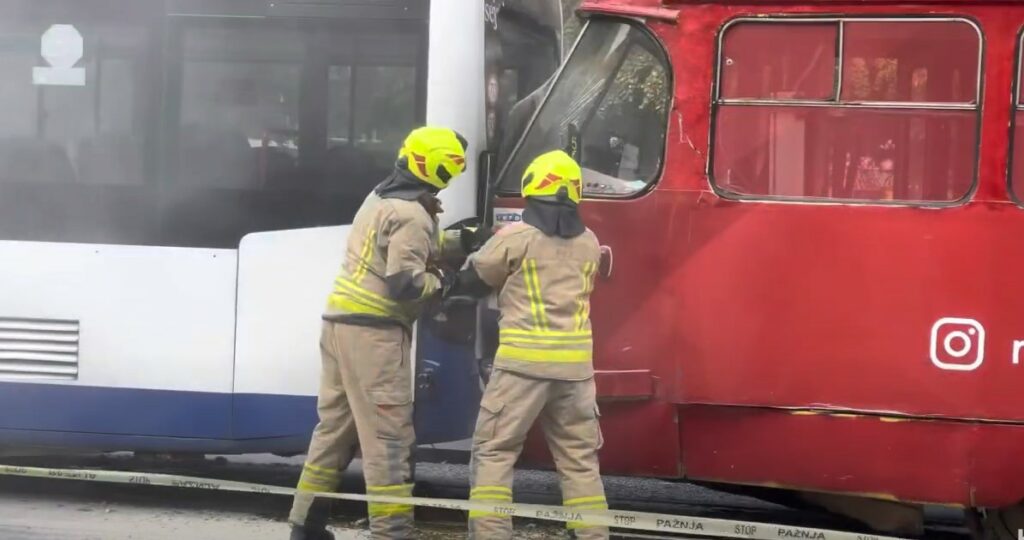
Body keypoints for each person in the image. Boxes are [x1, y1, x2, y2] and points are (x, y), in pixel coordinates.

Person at [288, 126, 473, 540]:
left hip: (339, 324)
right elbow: (406, 284)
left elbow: (409, 244)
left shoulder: (381, 197)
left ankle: (306, 525)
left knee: (333, 431)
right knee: (388, 438)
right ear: (440, 170)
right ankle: (392, 532)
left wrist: (462, 241)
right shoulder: (412, 215)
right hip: (373, 336)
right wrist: (447, 284)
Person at [445, 150, 608, 540]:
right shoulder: (590, 241)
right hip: (575, 372)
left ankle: (490, 534)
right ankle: (592, 536)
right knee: (580, 462)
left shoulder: (516, 237)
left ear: (533, 188)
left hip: (522, 367)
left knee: (495, 452)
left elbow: (474, 279)